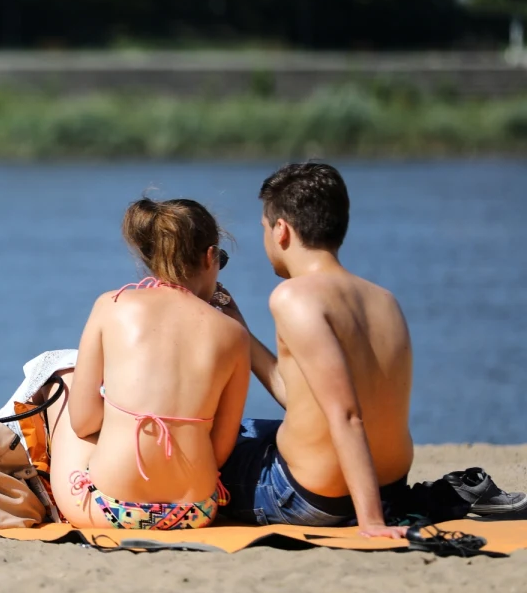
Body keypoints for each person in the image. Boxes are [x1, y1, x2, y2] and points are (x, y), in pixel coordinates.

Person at [218, 162, 524, 538]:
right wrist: (242, 331)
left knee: (208, 442)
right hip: (389, 486)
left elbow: (347, 415)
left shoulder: (294, 297)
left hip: (314, 497)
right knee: (248, 428)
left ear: (281, 230)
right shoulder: (384, 299)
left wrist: (371, 521)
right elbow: (303, 399)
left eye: (264, 228)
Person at [47, 198, 250, 529]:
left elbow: (83, 423)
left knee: (65, 380)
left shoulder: (111, 306)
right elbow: (220, 452)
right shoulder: (234, 335)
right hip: (194, 512)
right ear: (210, 257)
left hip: (107, 509)